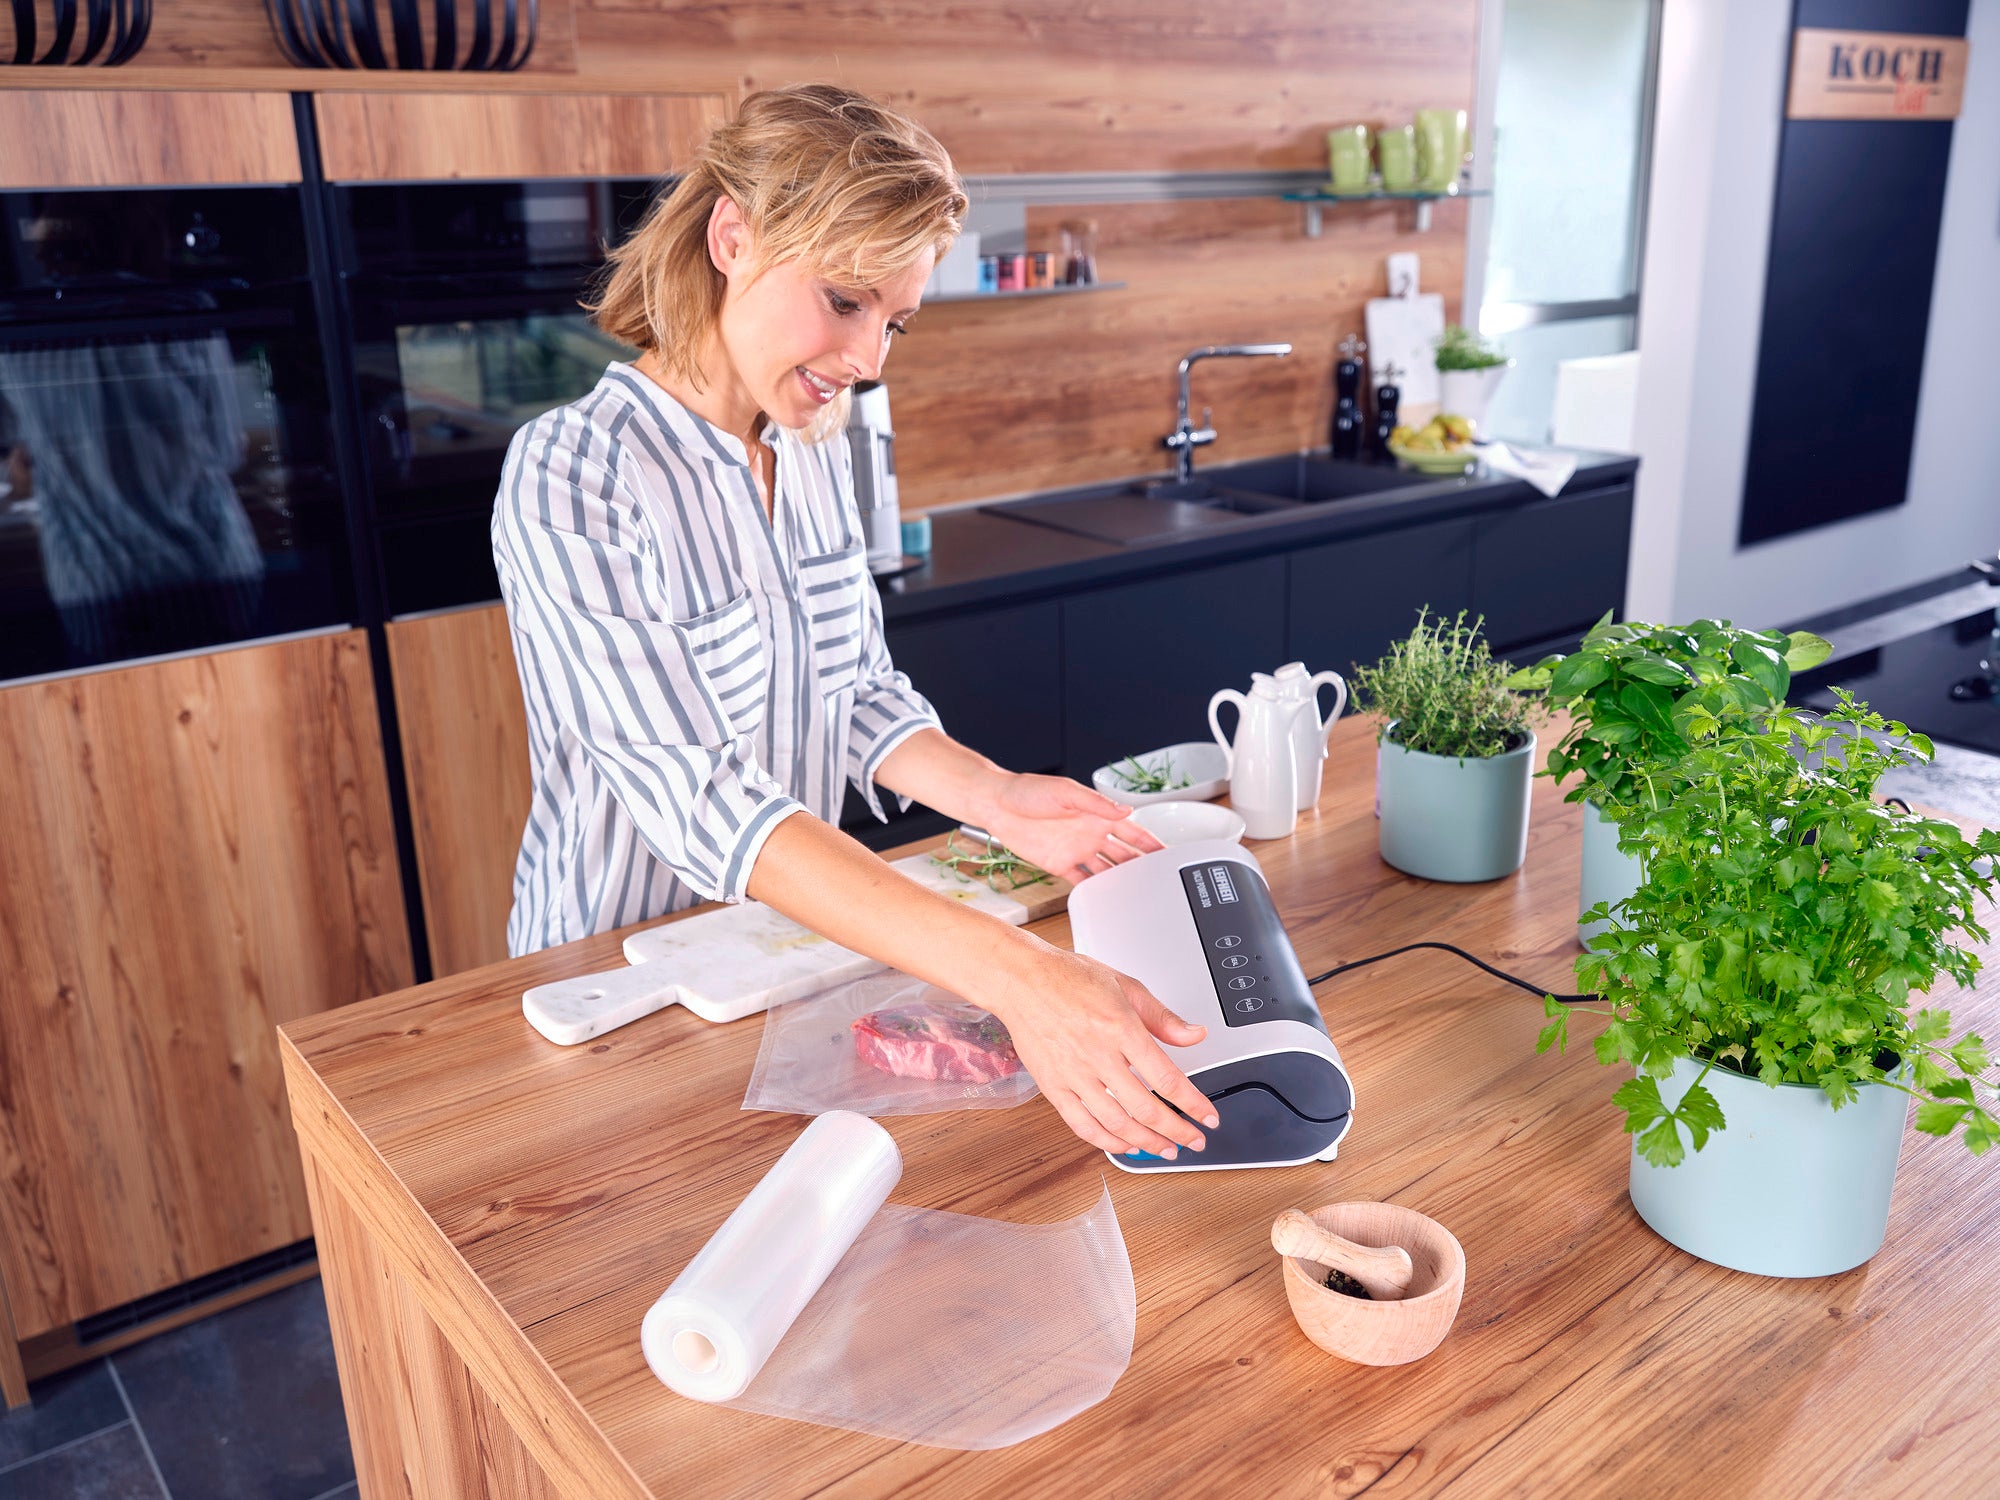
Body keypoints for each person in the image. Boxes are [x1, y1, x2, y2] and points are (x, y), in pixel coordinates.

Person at [492, 84, 1215, 1161]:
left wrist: (1000, 799)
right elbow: (701, 800)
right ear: (732, 236)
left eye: (894, 320)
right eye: (844, 302)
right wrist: (1018, 976)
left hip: (779, 952)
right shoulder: (574, 475)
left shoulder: (811, 442)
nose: (870, 357)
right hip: (615, 996)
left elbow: (854, 691)